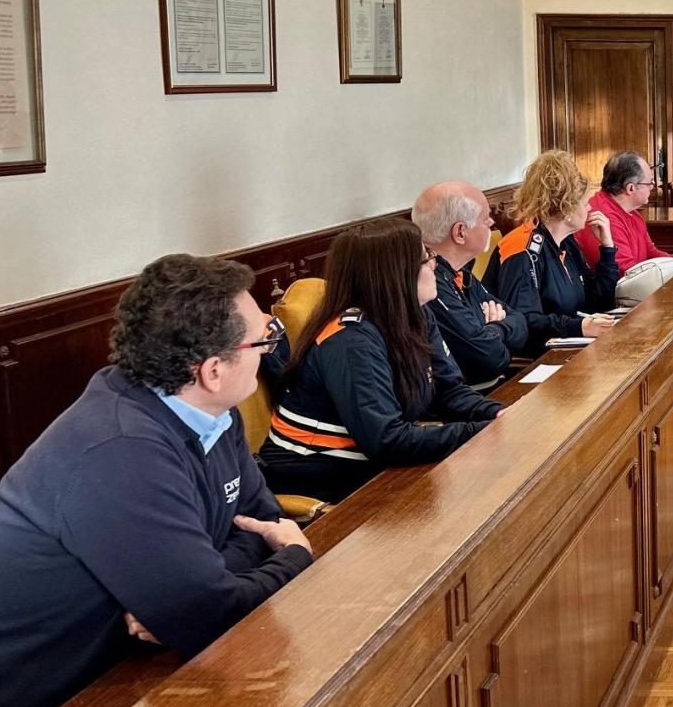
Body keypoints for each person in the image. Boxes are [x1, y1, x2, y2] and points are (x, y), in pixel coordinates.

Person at [0, 254, 312, 707]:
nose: (268, 351)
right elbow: (214, 613)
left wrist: (200, 580)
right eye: (262, 340)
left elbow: (259, 517)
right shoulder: (120, 448)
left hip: (128, 668)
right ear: (212, 370)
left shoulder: (209, 411)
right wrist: (294, 555)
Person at [260, 219, 502, 502]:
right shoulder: (351, 341)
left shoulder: (417, 315)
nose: (436, 265)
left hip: (373, 470)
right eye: (427, 259)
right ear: (396, 275)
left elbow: (448, 390)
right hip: (325, 484)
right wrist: (479, 432)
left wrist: (497, 414)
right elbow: (388, 441)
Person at [486, 149, 621, 345]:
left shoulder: (566, 242)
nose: (590, 208)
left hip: (570, 344)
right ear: (566, 208)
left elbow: (598, 302)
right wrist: (579, 327)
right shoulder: (522, 249)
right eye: (585, 203)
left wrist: (607, 249)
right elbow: (524, 320)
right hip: (539, 356)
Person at [413, 181, 528, 388]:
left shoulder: (461, 271)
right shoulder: (430, 286)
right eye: (485, 218)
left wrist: (491, 331)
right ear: (460, 232)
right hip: (472, 397)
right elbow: (487, 360)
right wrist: (498, 328)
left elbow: (519, 321)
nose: (492, 222)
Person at [575, 150, 673, 272]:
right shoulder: (604, 216)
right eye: (650, 182)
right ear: (631, 188)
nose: (652, 187)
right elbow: (625, 272)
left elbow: (650, 253)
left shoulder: (633, 213)